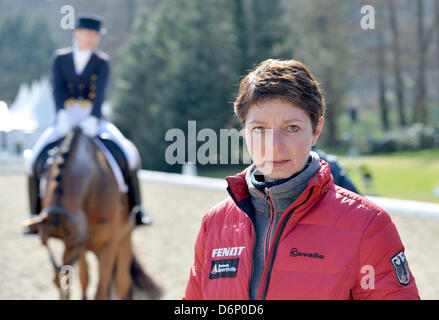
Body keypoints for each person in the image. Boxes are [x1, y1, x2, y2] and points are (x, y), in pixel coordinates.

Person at [184, 59, 419, 299]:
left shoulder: (368, 226)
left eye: (292, 128)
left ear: (316, 129)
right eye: (259, 129)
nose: (273, 147)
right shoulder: (214, 224)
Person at [25, 14, 151, 234]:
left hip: (93, 117)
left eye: (95, 35)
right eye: (88, 34)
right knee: (33, 160)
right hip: (65, 116)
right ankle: (35, 214)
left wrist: (93, 117)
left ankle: (138, 210)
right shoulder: (60, 59)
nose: (92, 39)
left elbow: (100, 91)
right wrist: (62, 114)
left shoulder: (102, 61)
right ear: (77, 33)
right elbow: (57, 88)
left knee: (128, 155)